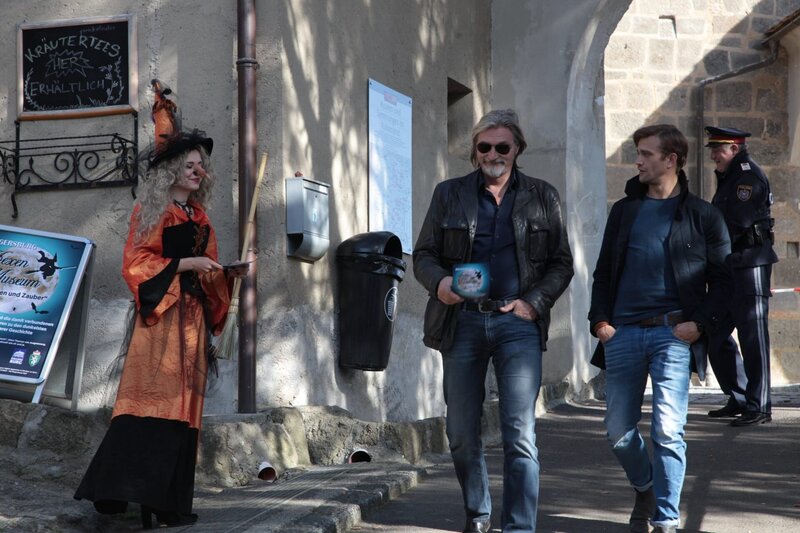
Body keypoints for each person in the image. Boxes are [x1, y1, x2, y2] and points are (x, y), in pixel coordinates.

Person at [74, 129, 248, 528]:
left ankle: (170, 504)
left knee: (185, 409)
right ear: (170, 170)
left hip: (192, 324)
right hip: (161, 320)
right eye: (189, 165)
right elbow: (135, 263)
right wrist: (186, 265)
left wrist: (228, 274)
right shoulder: (153, 212)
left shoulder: (199, 219)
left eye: (200, 165)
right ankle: (119, 493)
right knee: (153, 398)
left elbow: (210, 276)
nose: (197, 171)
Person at [413, 109, 573, 533]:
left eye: (502, 146)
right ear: (475, 151)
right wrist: (440, 282)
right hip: (462, 320)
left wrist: (532, 303)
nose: (493, 154)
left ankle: (519, 526)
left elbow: (562, 264)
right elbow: (424, 254)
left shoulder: (543, 196)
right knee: (462, 432)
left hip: (517, 322)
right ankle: (478, 513)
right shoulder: (449, 194)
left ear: (517, 149)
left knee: (519, 432)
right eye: (484, 147)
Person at [588, 124, 731, 533]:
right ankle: (645, 486)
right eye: (637, 153)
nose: (637, 161)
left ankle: (667, 520)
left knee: (668, 430)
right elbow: (603, 274)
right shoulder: (624, 211)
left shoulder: (704, 216)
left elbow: (724, 282)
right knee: (618, 431)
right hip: (623, 334)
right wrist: (600, 321)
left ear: (672, 160)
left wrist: (698, 325)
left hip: (674, 334)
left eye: (646, 154)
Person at [704, 126, 778, 426]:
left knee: (752, 335)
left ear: (734, 149)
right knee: (715, 330)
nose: (713, 155)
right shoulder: (729, 177)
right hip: (729, 265)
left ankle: (759, 405)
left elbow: (737, 221)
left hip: (750, 264)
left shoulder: (746, 177)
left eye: (718, 149)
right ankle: (739, 395)